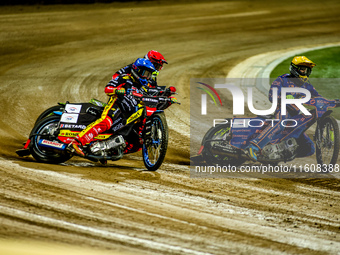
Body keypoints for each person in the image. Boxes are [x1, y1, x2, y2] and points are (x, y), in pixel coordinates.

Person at [67, 58, 157, 157]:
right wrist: (117, 91)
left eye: (149, 75)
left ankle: (106, 150)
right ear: (137, 70)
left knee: (137, 142)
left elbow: (153, 95)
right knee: (106, 122)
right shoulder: (124, 78)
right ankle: (77, 142)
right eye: (146, 73)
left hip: (128, 115)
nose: (147, 77)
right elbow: (107, 89)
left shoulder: (143, 88)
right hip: (116, 106)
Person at [246, 56, 322, 161]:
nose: (305, 72)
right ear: (295, 69)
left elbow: (320, 99)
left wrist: (333, 102)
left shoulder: (307, 86)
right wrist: (286, 100)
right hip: (282, 110)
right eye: (303, 69)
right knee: (281, 122)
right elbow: (272, 96)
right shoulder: (282, 80)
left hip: (295, 118)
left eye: (307, 70)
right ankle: (254, 146)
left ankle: (279, 154)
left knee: (309, 148)